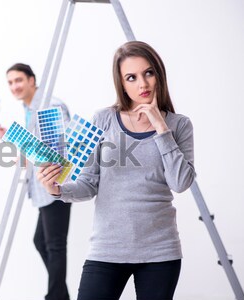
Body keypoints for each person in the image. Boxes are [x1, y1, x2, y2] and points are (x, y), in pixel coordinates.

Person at [37, 41, 195, 300]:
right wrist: (57, 189)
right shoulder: (103, 119)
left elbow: (180, 182)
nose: (142, 84)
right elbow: (88, 183)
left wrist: (160, 127)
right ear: (122, 83)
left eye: (148, 73)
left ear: (159, 74)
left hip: (160, 252)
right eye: (131, 77)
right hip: (107, 250)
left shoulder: (179, 125)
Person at [0, 63, 72, 300]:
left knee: (54, 245)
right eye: (10, 82)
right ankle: (61, 295)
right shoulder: (29, 108)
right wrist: (12, 139)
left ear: (32, 80)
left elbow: (56, 150)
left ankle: (55, 297)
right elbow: (36, 151)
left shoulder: (50, 105)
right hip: (41, 187)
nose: (14, 86)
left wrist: (15, 137)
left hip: (56, 183)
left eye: (18, 80)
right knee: (41, 241)